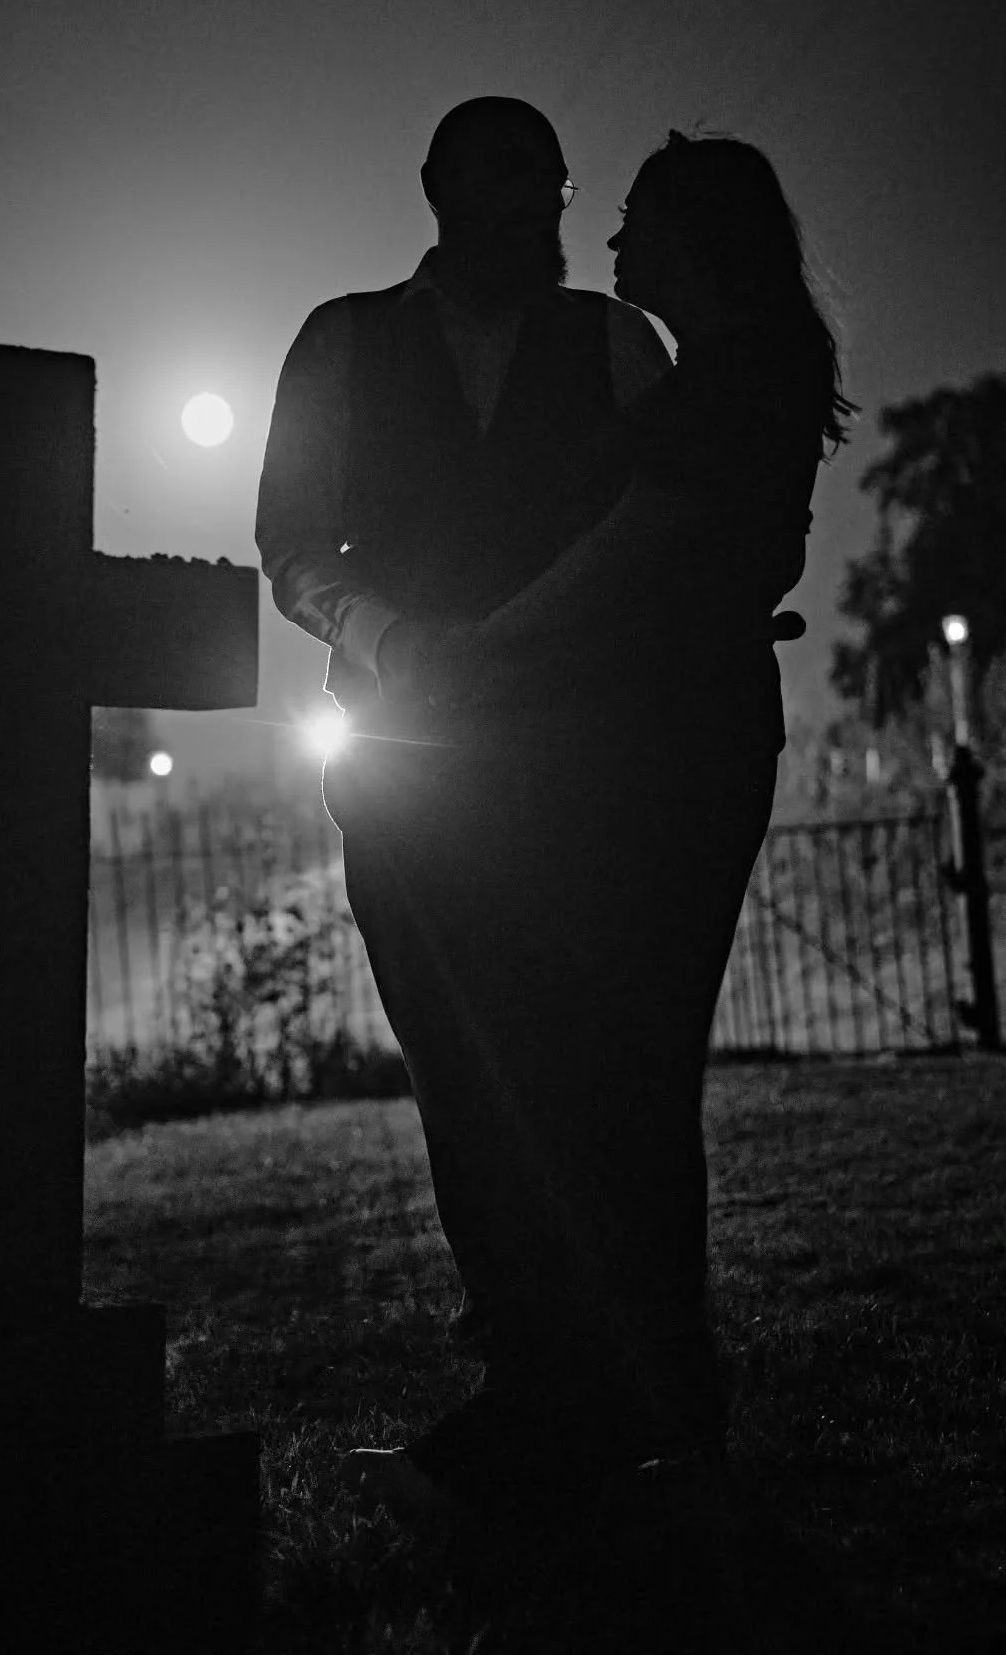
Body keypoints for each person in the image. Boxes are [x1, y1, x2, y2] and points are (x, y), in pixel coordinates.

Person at [255, 114, 850, 1536]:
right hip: (410, 759)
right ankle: (571, 1383)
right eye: (529, 193)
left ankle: (566, 1398)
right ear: (450, 195)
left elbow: (649, 534)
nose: (565, 225)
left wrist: (542, 642)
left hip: (584, 773)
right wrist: (399, 640)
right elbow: (292, 547)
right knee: (471, 1071)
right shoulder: (339, 340)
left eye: (574, 197)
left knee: (578, 1079)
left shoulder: (622, 347)